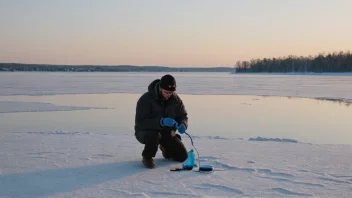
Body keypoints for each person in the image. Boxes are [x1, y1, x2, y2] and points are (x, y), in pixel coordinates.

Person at [134, 74, 188, 168]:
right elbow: (141, 122)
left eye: (171, 93)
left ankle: (166, 149)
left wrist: (183, 124)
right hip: (145, 131)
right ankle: (147, 157)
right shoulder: (146, 99)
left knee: (182, 156)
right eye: (166, 92)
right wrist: (161, 122)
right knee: (154, 135)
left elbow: (183, 116)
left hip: (167, 132)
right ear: (160, 88)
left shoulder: (175, 99)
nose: (168, 95)